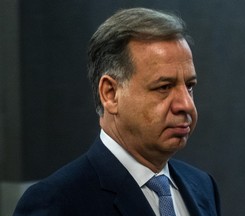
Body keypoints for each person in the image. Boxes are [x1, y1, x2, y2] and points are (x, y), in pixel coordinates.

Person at [13, 7, 221, 216]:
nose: (186, 105)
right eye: (164, 87)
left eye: (189, 86)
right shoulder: (55, 203)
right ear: (110, 93)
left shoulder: (202, 186)